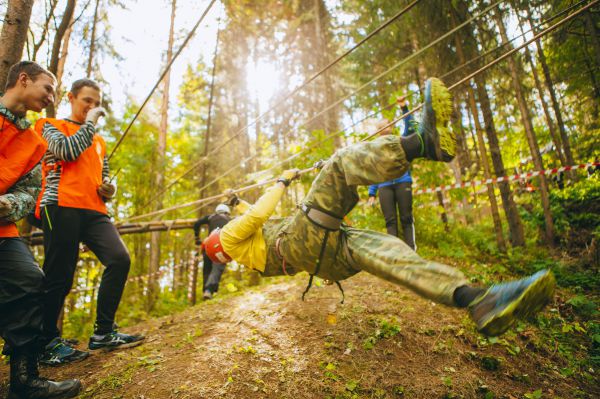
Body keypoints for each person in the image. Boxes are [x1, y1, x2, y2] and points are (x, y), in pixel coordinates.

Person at [204, 78, 555, 337]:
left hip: (325, 259)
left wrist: (237, 200)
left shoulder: (243, 251)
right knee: (340, 164)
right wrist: (282, 182)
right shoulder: (230, 237)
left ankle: (478, 301)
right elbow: (258, 215)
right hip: (303, 242)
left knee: (392, 254)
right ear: (219, 238)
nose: (223, 224)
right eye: (222, 226)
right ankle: (421, 143)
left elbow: (252, 218)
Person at [35, 78, 144, 365]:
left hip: (94, 210)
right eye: (87, 101)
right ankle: (45, 342)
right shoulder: (50, 127)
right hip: (60, 204)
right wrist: (91, 124)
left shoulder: (98, 141)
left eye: (96, 104)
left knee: (119, 259)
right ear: (71, 98)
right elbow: (66, 152)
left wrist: (109, 189)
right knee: (59, 276)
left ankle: (103, 332)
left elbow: (102, 177)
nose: (92, 107)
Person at [0, 61, 82, 398]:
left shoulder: (34, 142)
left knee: (30, 281)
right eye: (47, 88)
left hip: (3, 232)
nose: (51, 97)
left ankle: (24, 379)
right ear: (23, 79)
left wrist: (6, 206)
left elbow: (29, 191)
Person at [368, 96, 417, 250]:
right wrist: (371, 194)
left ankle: (411, 253)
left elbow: (410, 127)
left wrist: (404, 107)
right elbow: (374, 170)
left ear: (391, 127)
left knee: (406, 218)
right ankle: (394, 254)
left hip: (403, 182)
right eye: (381, 127)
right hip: (384, 186)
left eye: (387, 125)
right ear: (378, 131)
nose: (384, 128)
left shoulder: (400, 140)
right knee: (390, 221)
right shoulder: (375, 147)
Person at [193, 204, 232, 299]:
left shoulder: (211, 217)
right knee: (217, 268)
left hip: (208, 245)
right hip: (221, 247)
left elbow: (197, 223)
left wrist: (197, 238)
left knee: (207, 268)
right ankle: (209, 290)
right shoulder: (230, 220)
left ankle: (206, 292)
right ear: (227, 212)